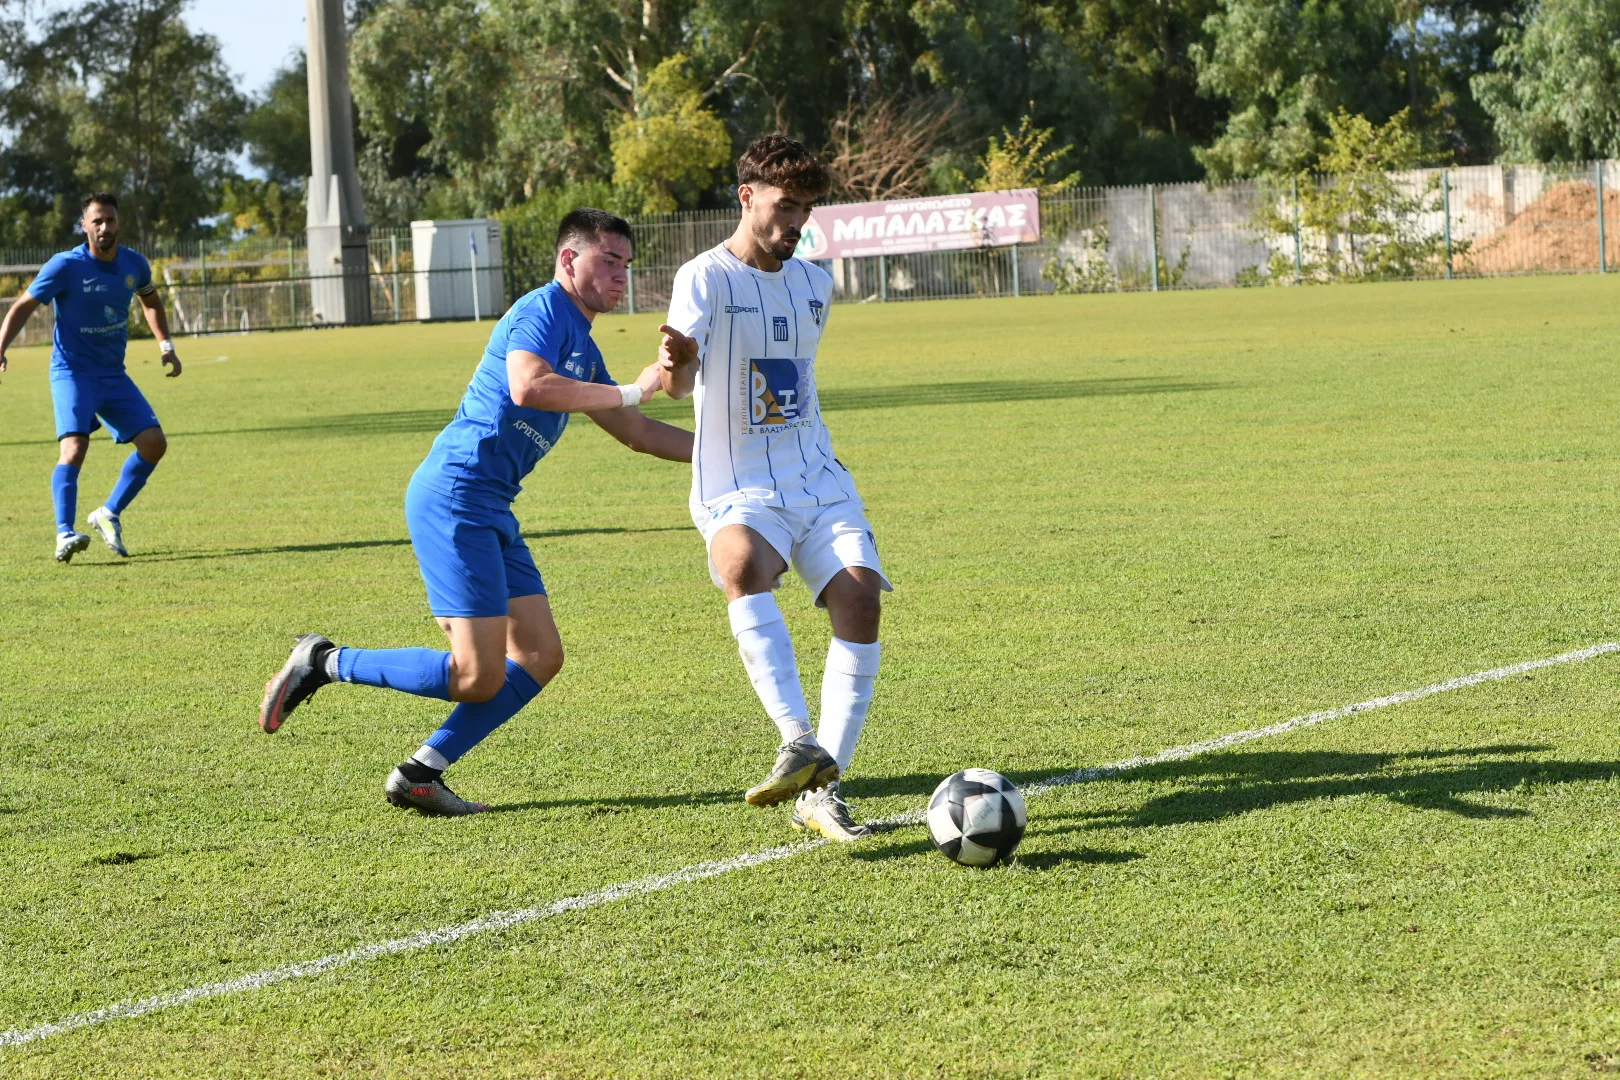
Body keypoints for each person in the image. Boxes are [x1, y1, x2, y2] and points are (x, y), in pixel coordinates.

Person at [257, 208, 697, 816]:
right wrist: (634, 387)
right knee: (476, 675)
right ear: (569, 260)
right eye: (608, 261)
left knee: (540, 655)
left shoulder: (584, 347)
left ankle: (419, 774)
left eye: (626, 263)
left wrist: (728, 458)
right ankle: (324, 661)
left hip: (491, 508)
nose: (621, 275)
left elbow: (641, 434)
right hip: (456, 496)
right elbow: (528, 387)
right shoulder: (541, 311)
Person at [660, 135, 891, 842]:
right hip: (738, 485)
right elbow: (675, 385)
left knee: (859, 596)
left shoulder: (816, 285)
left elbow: (789, 387)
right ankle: (798, 736)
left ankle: (822, 789)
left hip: (816, 476)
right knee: (740, 564)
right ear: (747, 196)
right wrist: (680, 361)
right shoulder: (704, 277)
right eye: (785, 206)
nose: (796, 224)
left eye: (807, 210)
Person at [0, 193, 181, 562]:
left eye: (110, 220)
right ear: (84, 226)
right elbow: (23, 306)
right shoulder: (65, 266)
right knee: (74, 448)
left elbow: (150, 301)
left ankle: (108, 512)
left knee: (154, 444)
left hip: (114, 374)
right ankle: (64, 533)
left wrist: (166, 344)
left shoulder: (134, 264)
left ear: (118, 224)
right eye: (96, 221)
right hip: (72, 372)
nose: (104, 227)